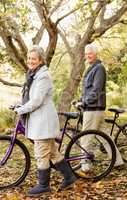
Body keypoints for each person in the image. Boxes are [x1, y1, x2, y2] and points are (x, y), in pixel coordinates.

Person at [15, 45, 77, 197]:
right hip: (40, 120)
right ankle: (69, 177)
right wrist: (20, 105)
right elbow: (31, 97)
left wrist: (21, 109)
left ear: (41, 60)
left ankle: (43, 185)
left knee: (41, 153)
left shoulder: (43, 76)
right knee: (53, 153)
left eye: (34, 59)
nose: (30, 61)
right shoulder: (33, 75)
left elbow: (36, 100)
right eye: (29, 58)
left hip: (43, 121)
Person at [77, 43, 124, 172]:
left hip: (94, 108)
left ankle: (85, 164)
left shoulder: (99, 68)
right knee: (104, 136)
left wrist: (85, 102)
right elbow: (88, 90)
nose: (88, 56)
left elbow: (96, 89)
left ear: (96, 54)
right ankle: (118, 161)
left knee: (85, 136)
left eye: (90, 53)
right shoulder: (91, 68)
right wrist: (80, 100)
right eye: (86, 54)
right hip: (92, 108)